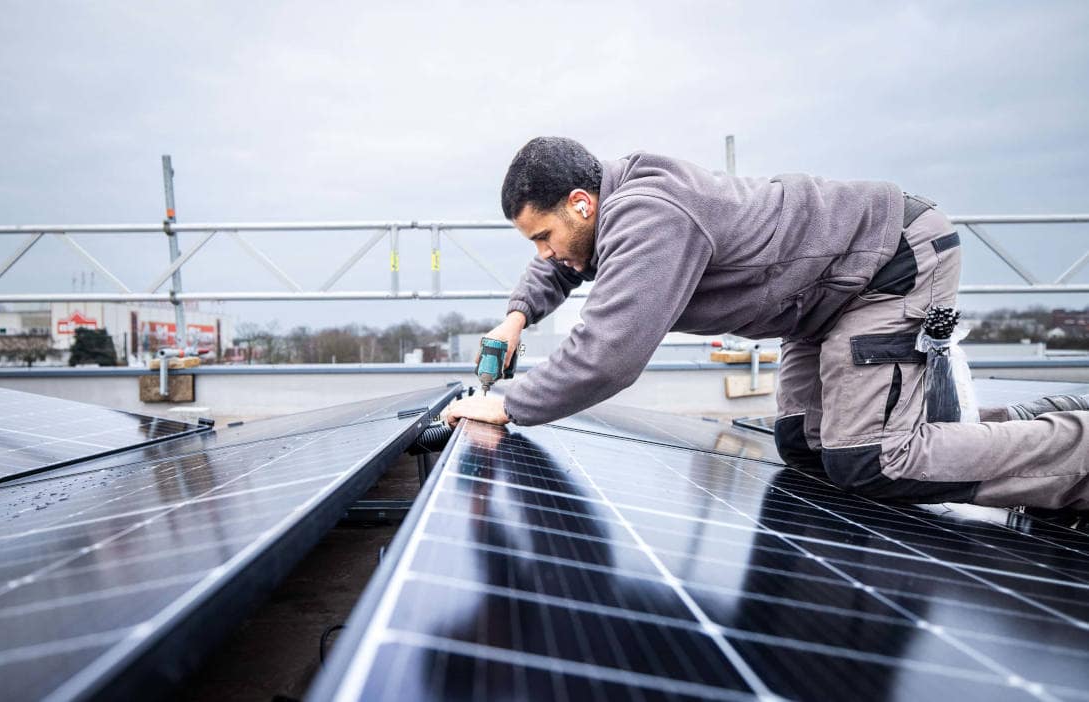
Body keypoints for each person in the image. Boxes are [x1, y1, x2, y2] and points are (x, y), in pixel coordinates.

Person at [444, 136, 1089, 510]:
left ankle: (1076, 447)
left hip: (889, 262)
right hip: (824, 299)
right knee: (805, 445)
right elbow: (567, 264)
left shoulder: (650, 216)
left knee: (872, 459)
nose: (545, 253)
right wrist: (516, 318)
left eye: (544, 234)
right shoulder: (607, 207)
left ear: (582, 203)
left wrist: (508, 403)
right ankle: (1040, 423)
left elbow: (608, 354)